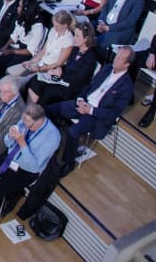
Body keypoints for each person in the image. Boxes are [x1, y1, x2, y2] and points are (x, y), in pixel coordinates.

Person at [46, 47, 134, 176]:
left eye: (120, 59)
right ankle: (48, 143)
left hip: (95, 115)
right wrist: (81, 99)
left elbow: (113, 114)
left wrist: (91, 110)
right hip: (83, 103)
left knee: (73, 131)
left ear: (127, 65)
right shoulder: (107, 68)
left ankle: (68, 162)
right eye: (117, 56)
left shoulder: (127, 86)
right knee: (50, 110)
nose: (115, 59)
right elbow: (89, 86)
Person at [0, 103, 61, 219]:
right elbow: (7, 143)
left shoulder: (52, 136)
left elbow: (34, 165)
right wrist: (10, 137)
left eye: (29, 125)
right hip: (9, 159)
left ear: (39, 120)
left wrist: (22, 143)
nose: (25, 126)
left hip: (25, 171)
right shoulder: (25, 121)